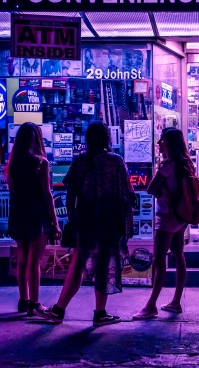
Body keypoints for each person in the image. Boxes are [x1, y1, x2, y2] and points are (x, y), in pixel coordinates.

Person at [35, 121, 134, 327]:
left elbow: (70, 195)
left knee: (77, 265)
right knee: (105, 266)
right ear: (107, 138)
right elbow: (127, 194)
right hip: (109, 220)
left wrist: (73, 219)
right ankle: (100, 313)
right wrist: (127, 223)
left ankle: (59, 309)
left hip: (86, 219)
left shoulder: (80, 161)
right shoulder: (116, 161)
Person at [132, 128, 194, 320]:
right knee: (178, 255)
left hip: (166, 217)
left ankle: (151, 306)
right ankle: (176, 301)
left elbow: (151, 187)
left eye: (163, 141)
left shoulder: (168, 165)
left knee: (159, 261)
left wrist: (159, 192)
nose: (159, 144)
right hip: (181, 217)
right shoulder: (186, 163)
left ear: (170, 143)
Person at [6, 122, 62, 316]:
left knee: (22, 259)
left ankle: (24, 300)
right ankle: (35, 303)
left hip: (18, 214)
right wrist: (55, 223)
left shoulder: (13, 164)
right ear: (37, 139)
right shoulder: (41, 162)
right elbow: (47, 194)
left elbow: (13, 190)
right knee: (34, 261)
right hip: (37, 215)